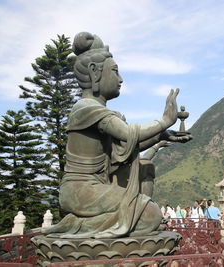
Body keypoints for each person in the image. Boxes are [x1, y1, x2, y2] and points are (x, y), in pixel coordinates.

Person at [42, 32, 191, 239]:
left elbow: (125, 147)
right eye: (115, 72)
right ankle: (78, 224)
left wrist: (161, 136)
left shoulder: (102, 112)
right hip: (81, 191)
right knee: (150, 215)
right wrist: (164, 121)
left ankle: (117, 219)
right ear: (95, 72)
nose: (120, 79)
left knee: (146, 168)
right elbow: (128, 133)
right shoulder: (86, 108)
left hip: (99, 185)